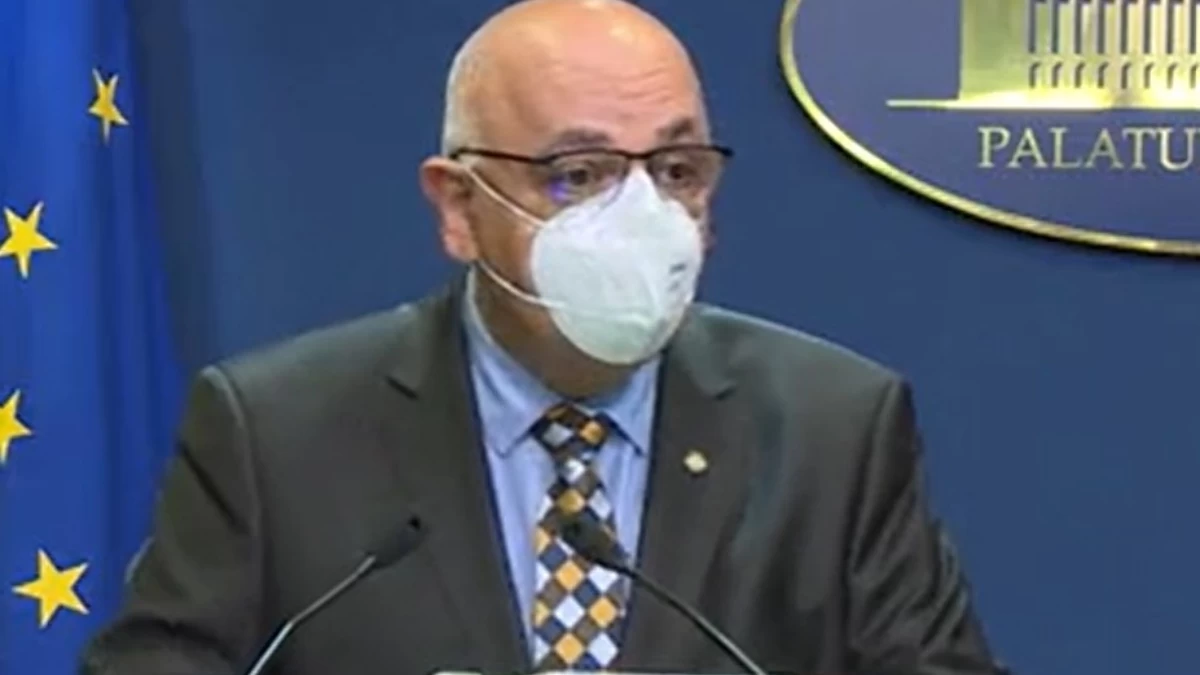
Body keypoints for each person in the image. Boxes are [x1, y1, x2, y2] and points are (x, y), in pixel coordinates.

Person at [82, 1, 1007, 673]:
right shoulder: (276, 431)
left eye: (675, 169)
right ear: (458, 206)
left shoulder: (834, 428)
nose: (642, 217)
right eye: (578, 174)